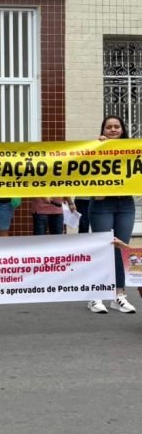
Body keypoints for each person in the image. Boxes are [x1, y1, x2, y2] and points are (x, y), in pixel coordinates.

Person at [87, 115, 136, 314]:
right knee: (102, 248)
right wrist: (98, 148)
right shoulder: (95, 148)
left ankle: (119, 295)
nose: (113, 129)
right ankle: (96, 295)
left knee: (120, 249)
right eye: (109, 127)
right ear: (103, 130)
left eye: (117, 127)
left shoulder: (133, 149)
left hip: (125, 203)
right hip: (102, 204)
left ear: (122, 130)